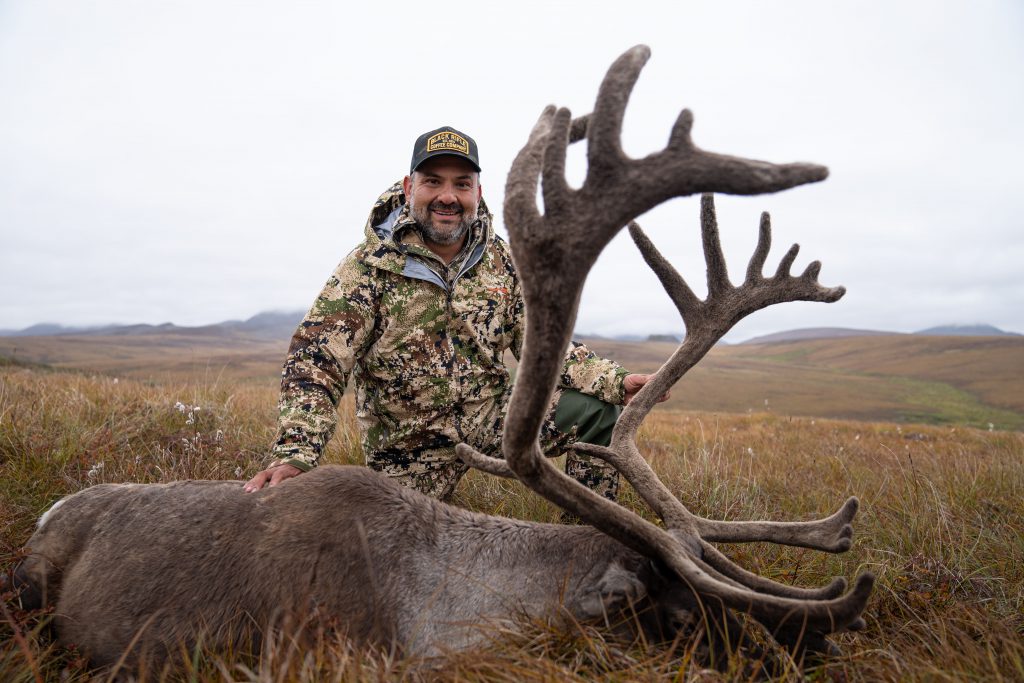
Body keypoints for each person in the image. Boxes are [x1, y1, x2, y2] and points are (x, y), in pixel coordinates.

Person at [244, 126, 663, 500]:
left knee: (596, 414)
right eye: (433, 182)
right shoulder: (366, 268)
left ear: (477, 192)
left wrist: (614, 382)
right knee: (396, 554)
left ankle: (586, 545)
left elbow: (545, 343)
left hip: (491, 421)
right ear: (410, 186)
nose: (447, 196)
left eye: (461, 184)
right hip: (408, 449)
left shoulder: (502, 260)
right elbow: (317, 361)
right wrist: (296, 454)